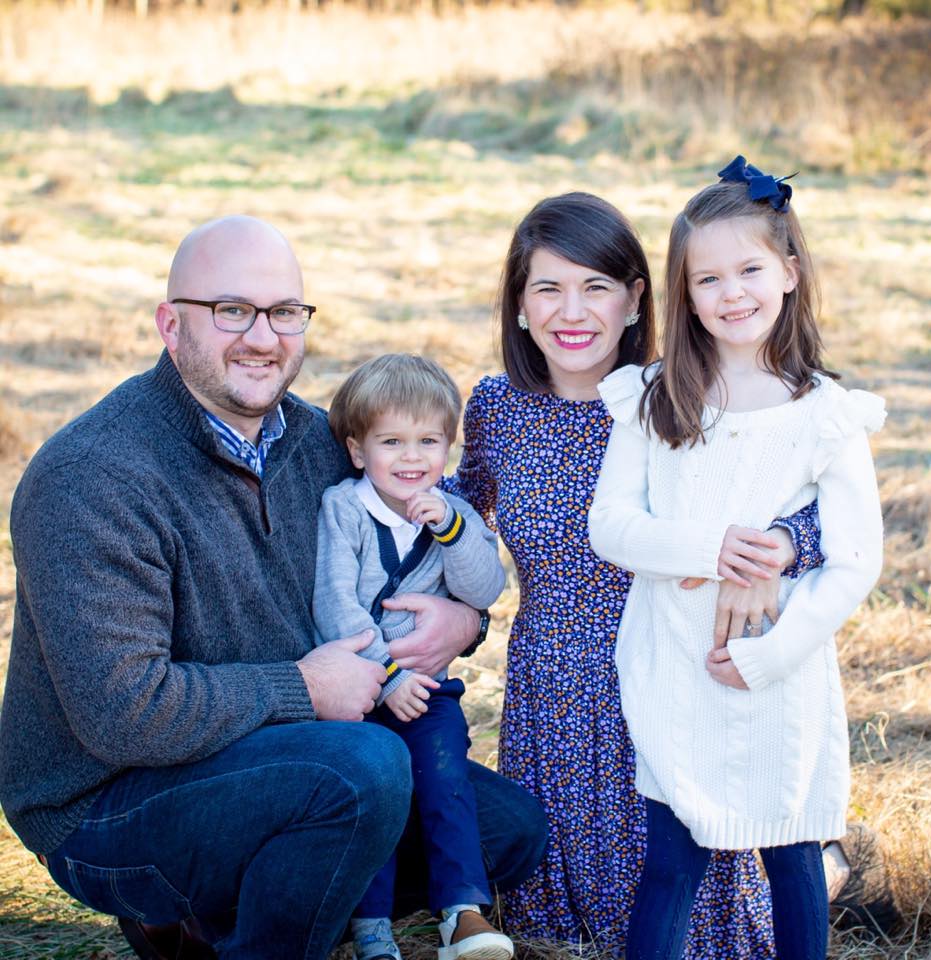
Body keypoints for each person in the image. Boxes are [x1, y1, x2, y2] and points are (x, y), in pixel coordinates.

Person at [0, 216, 546, 960]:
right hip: (107, 800)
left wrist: (461, 622)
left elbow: (428, 548)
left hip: (282, 752)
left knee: (507, 831)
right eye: (231, 310)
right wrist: (303, 689)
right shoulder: (91, 477)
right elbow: (122, 716)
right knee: (364, 771)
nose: (263, 337)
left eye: (285, 313)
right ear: (171, 324)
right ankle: (228, 927)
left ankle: (213, 908)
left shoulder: (322, 444)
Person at [444, 191, 824, 956]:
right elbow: (456, 519)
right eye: (547, 287)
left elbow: (817, 508)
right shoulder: (496, 407)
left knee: (701, 917)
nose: (571, 310)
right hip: (548, 692)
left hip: (668, 672)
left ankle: (819, 866)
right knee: (554, 924)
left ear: (636, 299)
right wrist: (455, 610)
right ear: (519, 304)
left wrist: (776, 546)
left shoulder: (679, 397)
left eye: (596, 286)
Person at [589, 157, 885, 959]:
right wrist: (711, 548)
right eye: (706, 279)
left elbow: (855, 558)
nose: (732, 293)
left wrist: (769, 656)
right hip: (674, 668)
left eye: (749, 268)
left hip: (778, 681)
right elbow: (610, 525)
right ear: (684, 295)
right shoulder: (656, 397)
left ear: (789, 272)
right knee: (672, 863)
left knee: (791, 857)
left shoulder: (825, 414)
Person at [313, 353, 513, 960]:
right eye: (391, 442)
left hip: (428, 694)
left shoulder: (451, 511)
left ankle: (463, 911)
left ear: (448, 448)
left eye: (428, 441)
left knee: (447, 784)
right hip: (357, 693)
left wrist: (455, 528)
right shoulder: (345, 509)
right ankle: (371, 927)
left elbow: (485, 590)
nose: (410, 457)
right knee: (379, 797)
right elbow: (334, 603)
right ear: (357, 451)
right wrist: (388, 672)